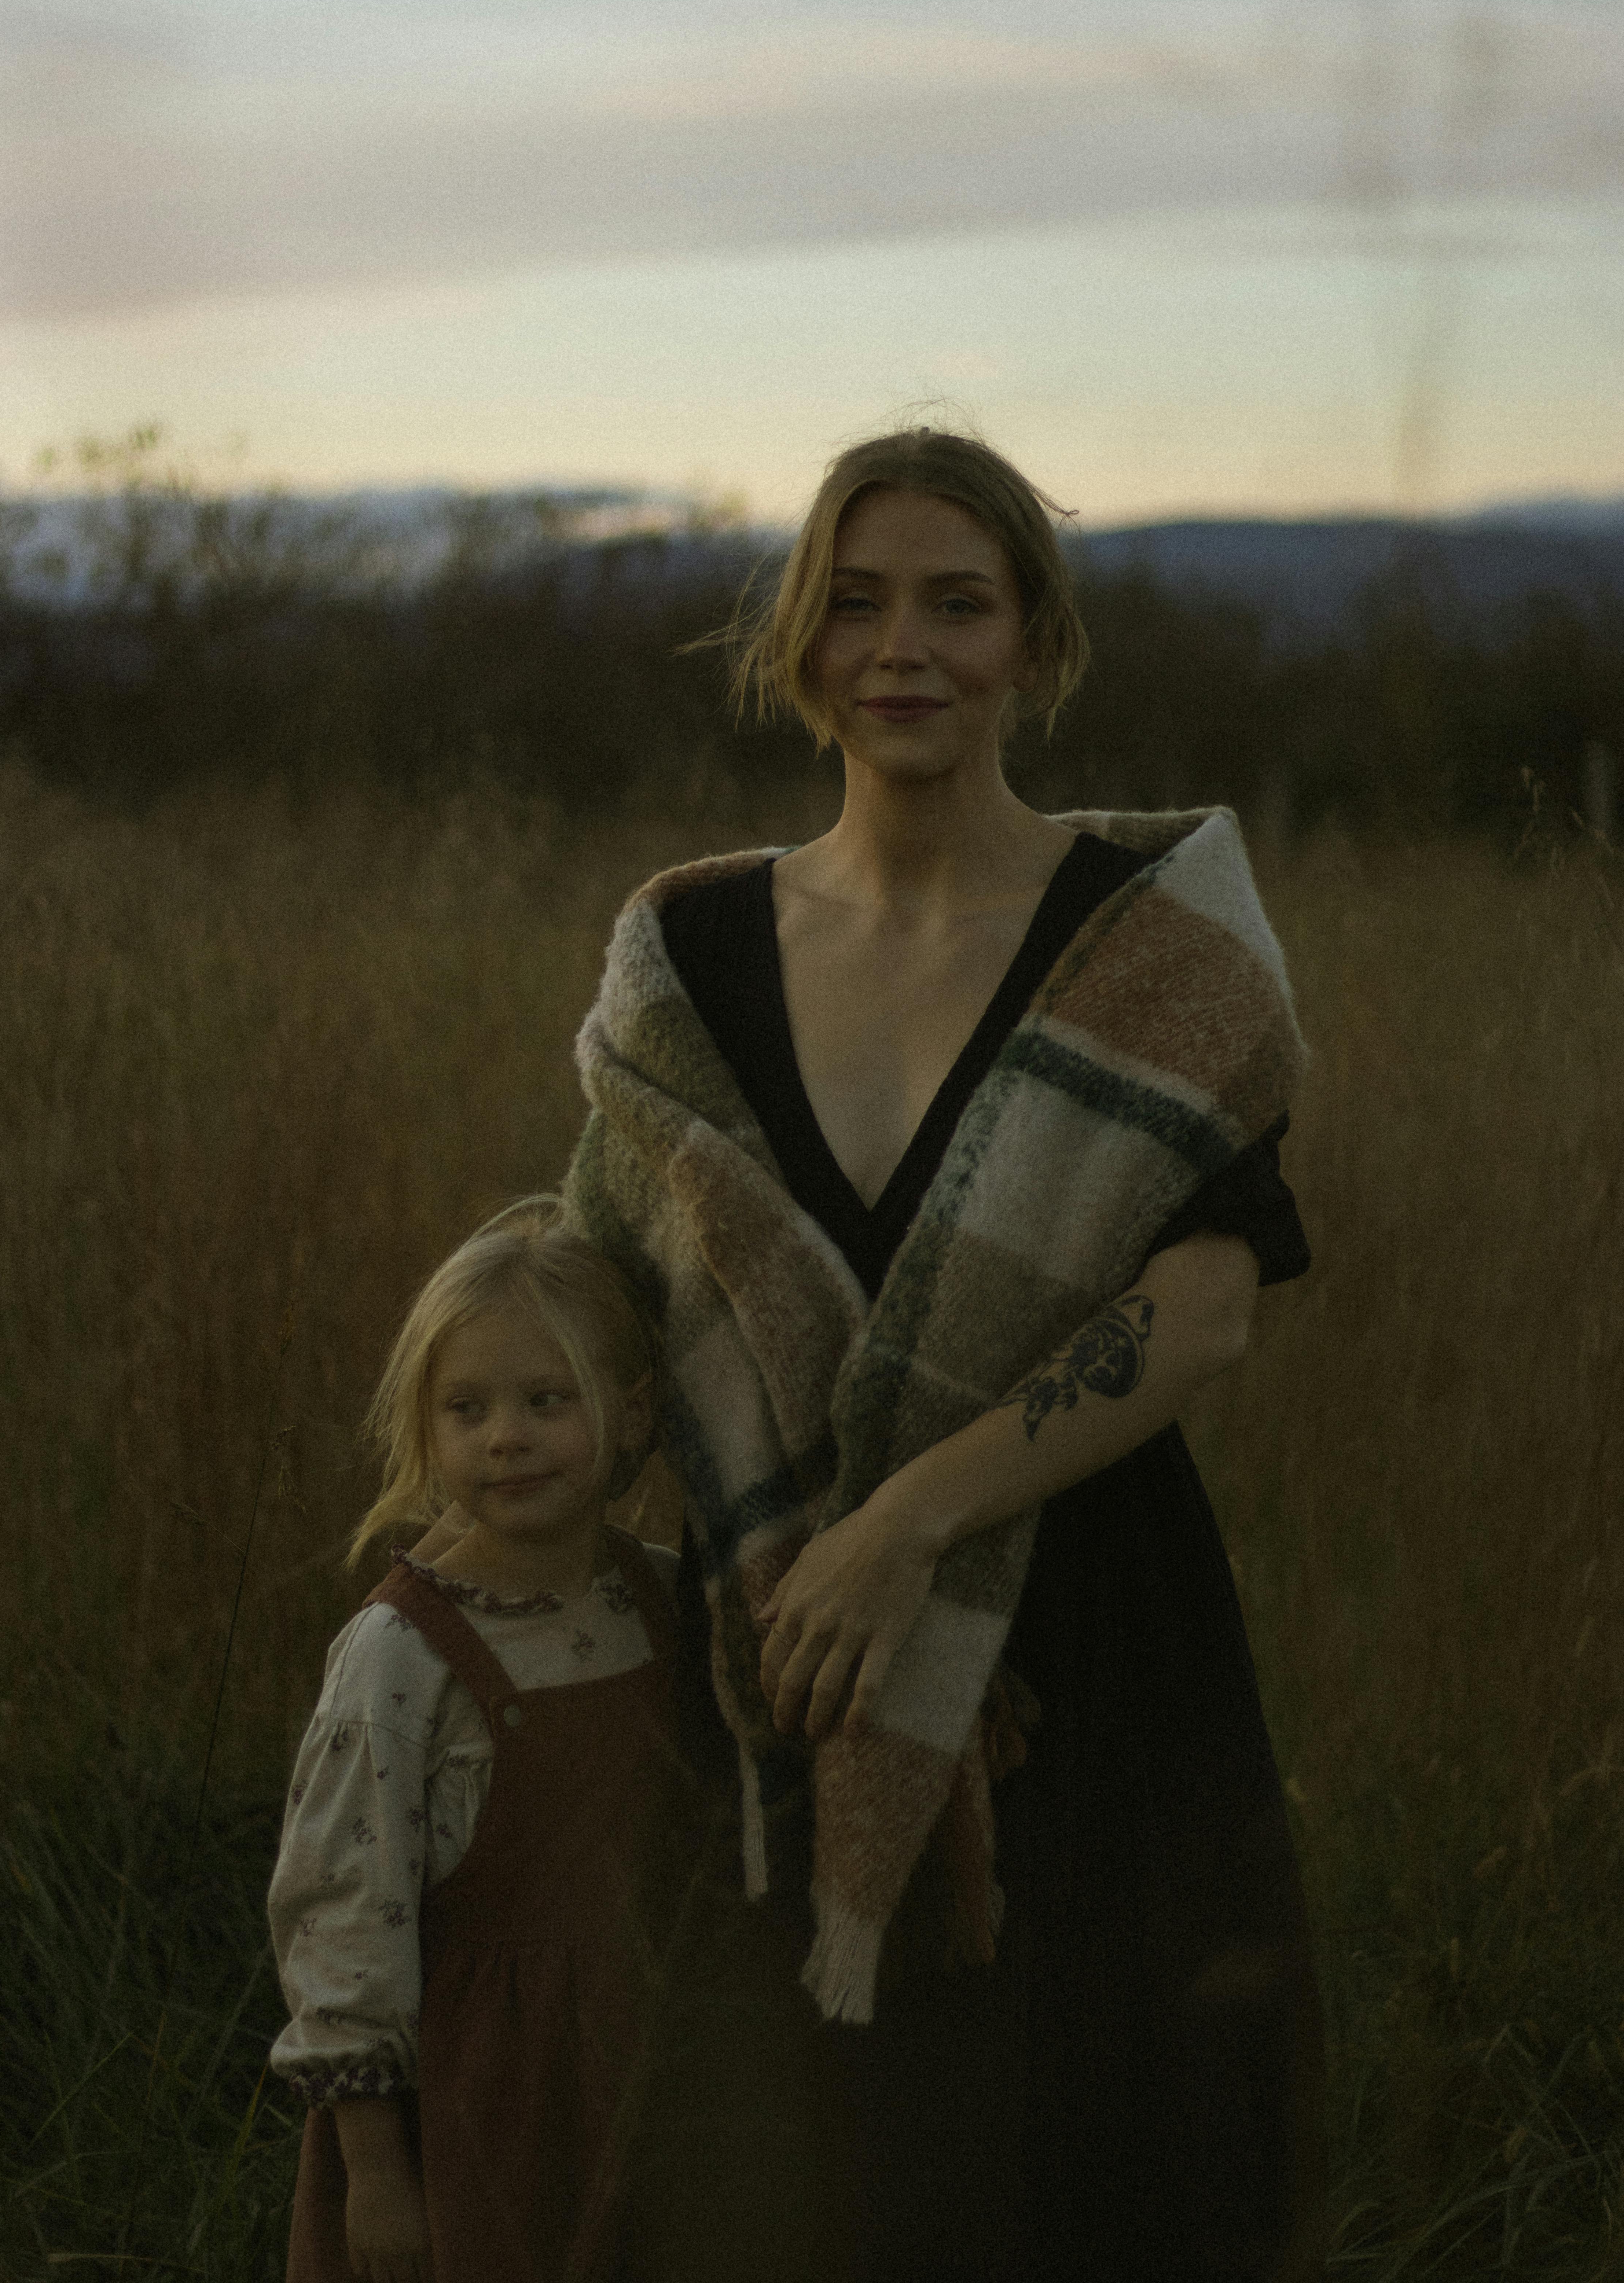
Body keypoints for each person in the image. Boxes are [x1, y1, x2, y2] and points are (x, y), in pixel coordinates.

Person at [562, 427, 1327, 2282]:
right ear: (799, 643)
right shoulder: (684, 949)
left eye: (956, 604)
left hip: (1082, 1648)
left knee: (1097, 2175)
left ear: (1032, 644)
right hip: (781, 1659)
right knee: (772, 2186)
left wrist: (906, 1528)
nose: (900, 646)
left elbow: (1210, 1298)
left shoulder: (1151, 940)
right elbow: (600, 1283)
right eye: (854, 600)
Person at [268, 1207, 690, 2283]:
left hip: (650, 2078)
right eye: (468, 1409)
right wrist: (378, 2173)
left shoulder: (664, 1600)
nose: (507, 1436)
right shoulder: (401, 1660)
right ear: (426, 1427)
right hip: (474, 2108)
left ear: (633, 1412)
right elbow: (342, 1917)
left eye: (548, 1401)